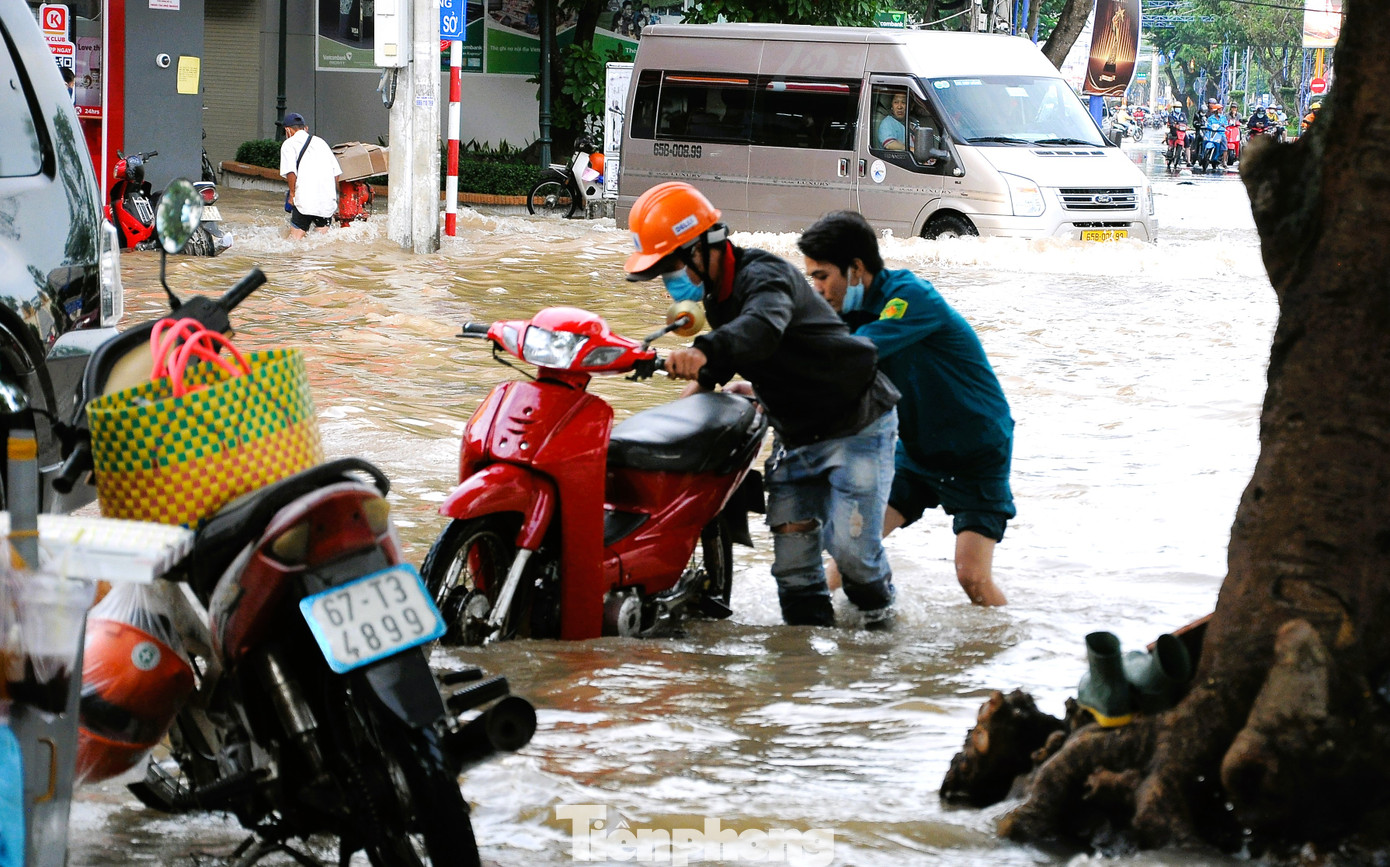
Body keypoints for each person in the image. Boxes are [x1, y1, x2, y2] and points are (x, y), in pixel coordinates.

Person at [623, 182, 901, 628]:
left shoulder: (764, 277)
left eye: (674, 264)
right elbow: (718, 369)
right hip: (796, 433)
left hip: (857, 423)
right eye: (663, 270)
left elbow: (761, 328)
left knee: (852, 556)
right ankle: (805, 663)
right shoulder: (716, 300)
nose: (672, 278)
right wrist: (677, 416)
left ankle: (881, 639)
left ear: (706, 245)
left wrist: (704, 351)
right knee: (792, 567)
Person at [798, 211, 1015, 607]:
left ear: (856, 268)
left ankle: (1015, 650)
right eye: (811, 277)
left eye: (822, 276)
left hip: (977, 449)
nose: (816, 288)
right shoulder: (844, 313)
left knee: (972, 577)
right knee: (849, 550)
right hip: (917, 451)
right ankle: (801, 629)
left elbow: (853, 354)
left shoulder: (911, 297)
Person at [278, 112, 341, 239]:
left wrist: (292, 194)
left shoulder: (289, 144)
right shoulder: (321, 142)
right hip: (326, 203)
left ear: (287, 130)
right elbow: (336, 174)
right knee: (320, 243)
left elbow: (291, 172)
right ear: (304, 128)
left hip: (304, 201)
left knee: (295, 241)